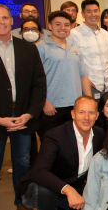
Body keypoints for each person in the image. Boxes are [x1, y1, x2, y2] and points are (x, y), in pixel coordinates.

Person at [0, 3, 47, 210]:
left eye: (5, 18)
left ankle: (22, 203)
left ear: (12, 21)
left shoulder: (28, 49)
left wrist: (30, 113)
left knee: (23, 164)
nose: (1, 22)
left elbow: (39, 84)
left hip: (23, 117)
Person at [19, 96, 105, 210]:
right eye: (81, 112)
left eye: (91, 113)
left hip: (76, 185)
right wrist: (68, 190)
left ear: (97, 116)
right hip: (48, 185)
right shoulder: (55, 136)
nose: (86, 117)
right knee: (44, 191)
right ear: (73, 114)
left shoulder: (100, 134)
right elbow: (39, 171)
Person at [36, 11, 92, 141]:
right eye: (58, 24)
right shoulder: (40, 48)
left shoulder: (75, 49)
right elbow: (34, 79)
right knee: (50, 146)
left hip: (74, 107)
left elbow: (83, 77)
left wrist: (89, 102)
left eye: (66, 25)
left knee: (72, 144)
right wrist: (44, 102)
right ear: (50, 26)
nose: (63, 28)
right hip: (51, 108)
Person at [69, 0, 108, 99]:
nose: (93, 14)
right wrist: (85, 82)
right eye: (89, 11)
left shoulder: (105, 34)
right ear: (82, 14)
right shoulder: (74, 34)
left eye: (95, 11)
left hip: (107, 86)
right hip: (89, 86)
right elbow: (71, 63)